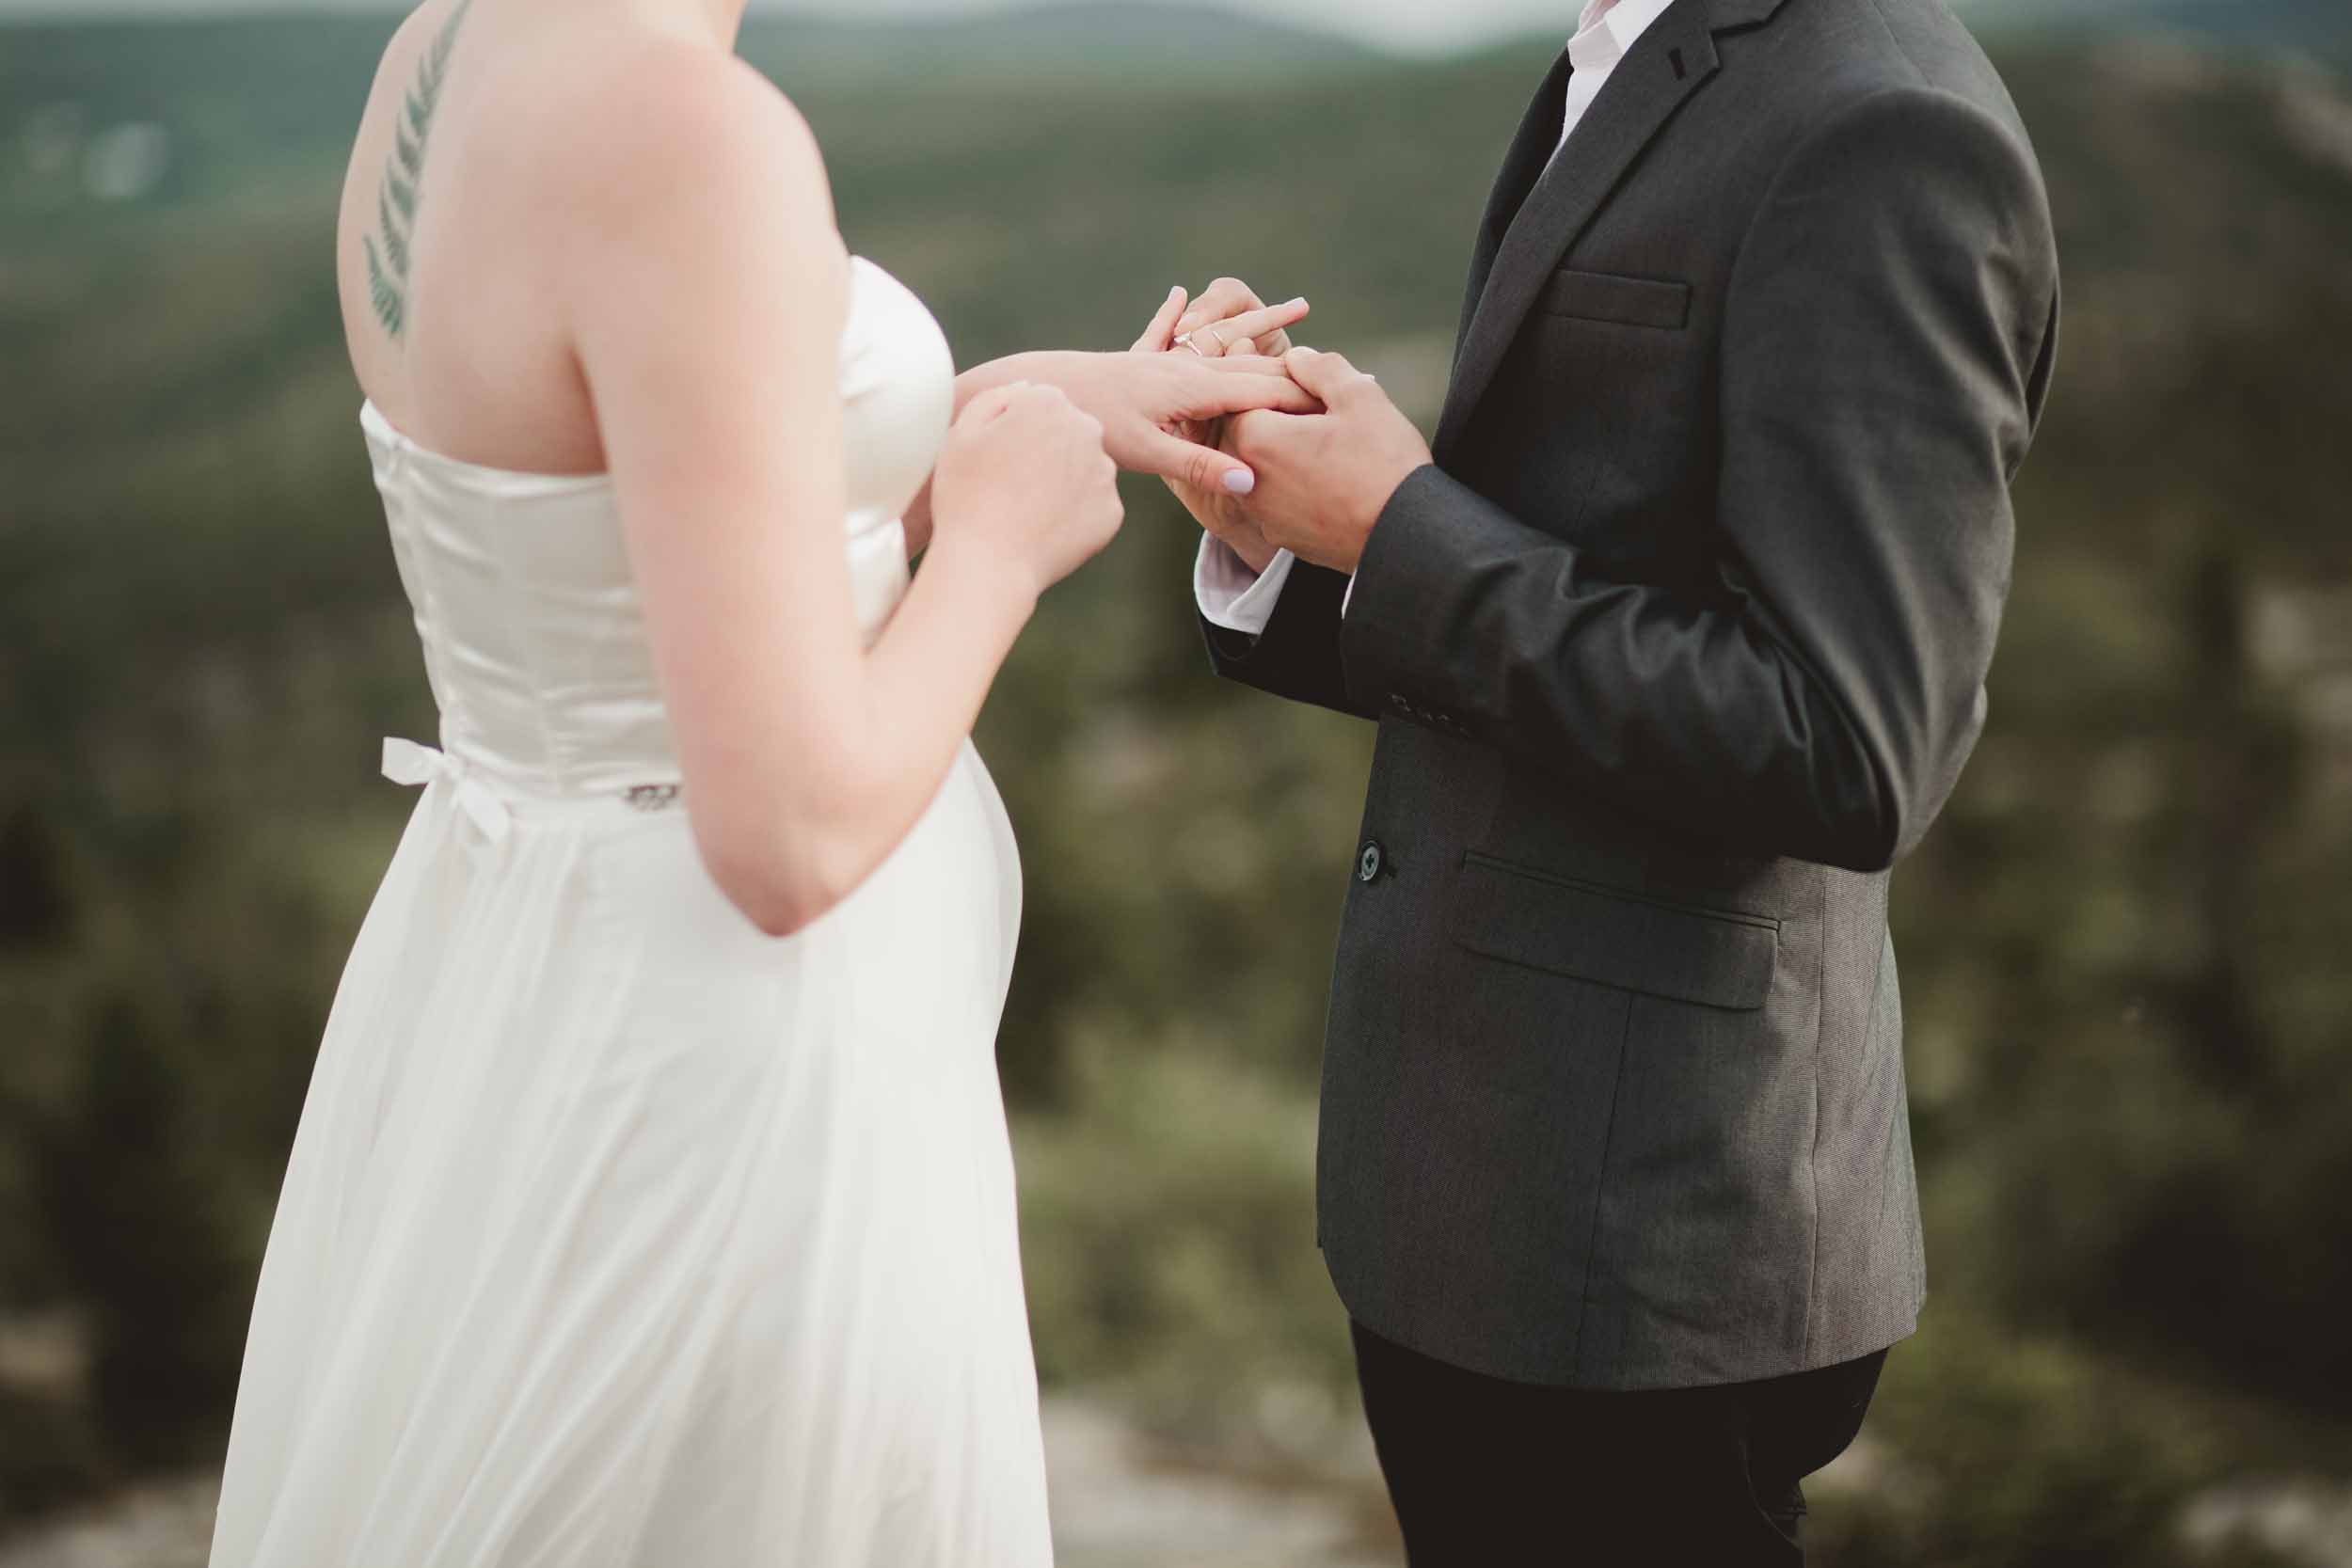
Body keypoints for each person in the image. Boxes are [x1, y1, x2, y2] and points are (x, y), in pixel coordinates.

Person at [203, 0, 1317, 1561]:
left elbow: (637, 495)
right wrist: (1001, 542)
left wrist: (1043, 406)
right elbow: (787, 833)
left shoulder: (444, 50)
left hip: (533, 975)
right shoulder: (687, 136)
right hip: (738, 1063)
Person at [1149, 0, 2061, 1560]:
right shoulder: (1627, 52)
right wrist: (1277, 527)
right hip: (1489, 1198)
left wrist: (1400, 527)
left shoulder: (1883, 126)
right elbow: (1585, 550)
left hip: (1642, 1250)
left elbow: (1848, 741)